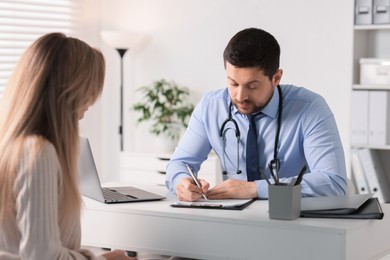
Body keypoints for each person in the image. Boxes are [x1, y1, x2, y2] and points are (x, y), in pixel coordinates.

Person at [165, 27, 347, 201]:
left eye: (252, 86)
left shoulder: (310, 108)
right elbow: (179, 164)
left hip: (292, 221)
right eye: (233, 84)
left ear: (276, 78)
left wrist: (254, 189)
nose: (240, 96)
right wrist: (181, 182)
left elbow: (333, 182)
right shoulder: (210, 107)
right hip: (233, 220)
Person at [0, 33, 134, 259]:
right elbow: (42, 255)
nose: (90, 103)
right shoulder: (38, 153)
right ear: (68, 91)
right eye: (88, 91)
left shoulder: (15, 147)